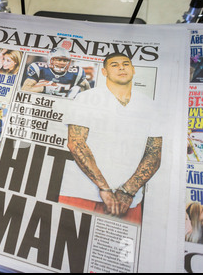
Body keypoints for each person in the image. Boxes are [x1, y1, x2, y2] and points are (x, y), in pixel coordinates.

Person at [60, 52, 163, 224]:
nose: (121, 67)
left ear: (133, 70)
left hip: (128, 202)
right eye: (114, 65)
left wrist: (127, 191)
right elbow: (76, 143)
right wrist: (104, 188)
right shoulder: (87, 98)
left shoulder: (149, 106)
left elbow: (154, 154)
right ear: (105, 72)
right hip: (81, 192)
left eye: (126, 64)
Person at [21, 47, 90, 98]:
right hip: (40, 101)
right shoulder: (39, 69)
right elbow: (24, 90)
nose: (62, 63)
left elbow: (88, 91)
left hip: (63, 105)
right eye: (59, 60)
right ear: (50, 59)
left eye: (65, 60)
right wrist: (44, 89)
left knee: (76, 89)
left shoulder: (76, 73)